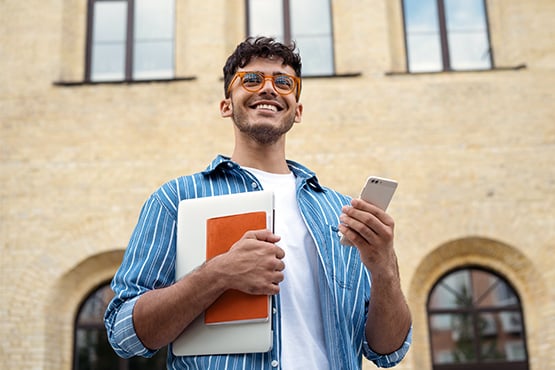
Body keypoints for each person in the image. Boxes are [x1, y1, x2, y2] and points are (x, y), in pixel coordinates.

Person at [105, 36, 412, 369]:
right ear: (226, 105)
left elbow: (387, 350)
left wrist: (384, 268)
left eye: (283, 83)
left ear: (297, 110)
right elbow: (123, 333)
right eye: (251, 79)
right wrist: (217, 274)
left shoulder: (341, 214)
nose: (269, 89)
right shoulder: (175, 200)